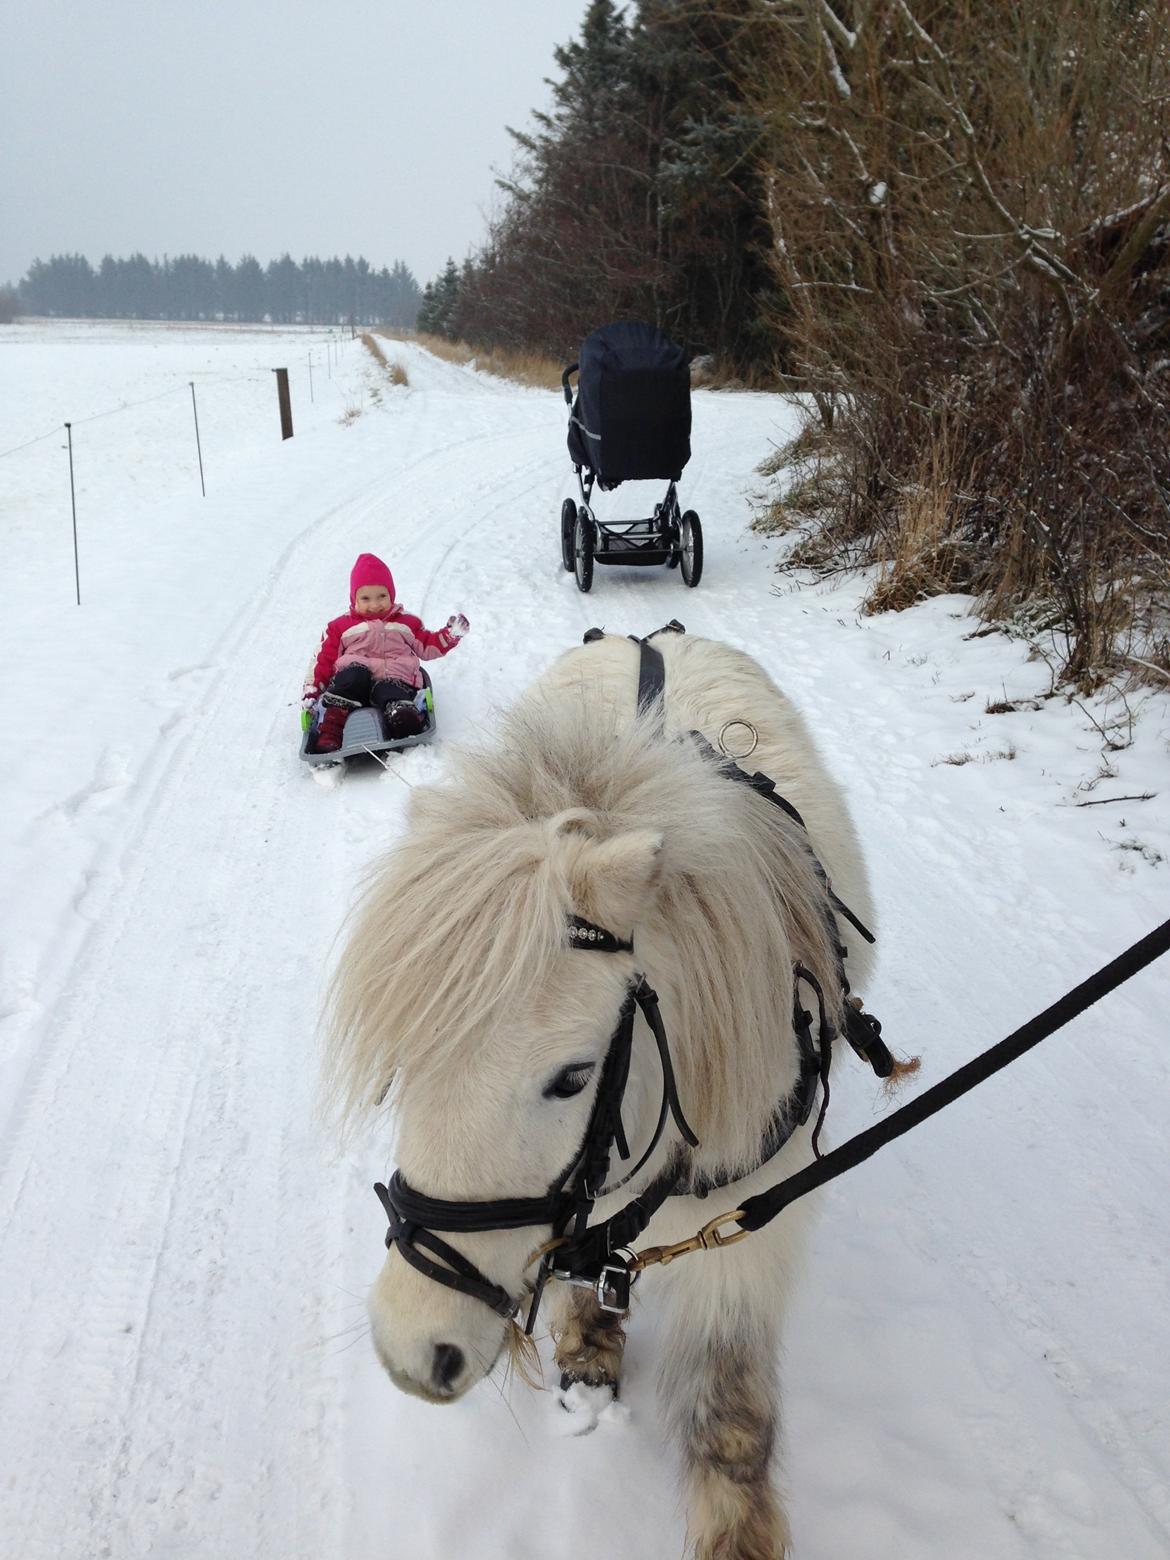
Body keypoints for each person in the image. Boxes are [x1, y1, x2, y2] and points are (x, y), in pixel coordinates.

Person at [302, 553, 468, 752]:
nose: (374, 604)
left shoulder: (407, 623)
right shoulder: (340, 627)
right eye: (365, 598)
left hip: (395, 680)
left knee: (390, 689)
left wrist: (450, 635)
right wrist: (313, 688)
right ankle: (330, 731)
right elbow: (325, 659)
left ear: (392, 594)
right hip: (355, 685)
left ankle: (402, 717)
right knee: (351, 676)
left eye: (382, 596)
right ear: (354, 599)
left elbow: (428, 645)